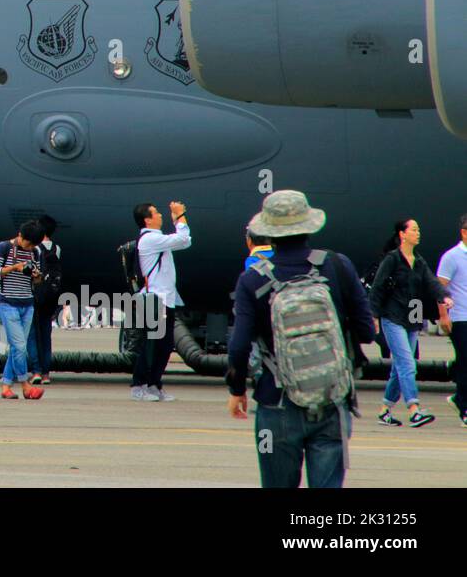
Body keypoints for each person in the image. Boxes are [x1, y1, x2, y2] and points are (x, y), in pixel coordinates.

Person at [227, 190, 376, 488]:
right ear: (309, 225)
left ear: (268, 232)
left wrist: (236, 389)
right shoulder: (337, 265)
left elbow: (239, 344)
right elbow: (367, 332)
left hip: (276, 401)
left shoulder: (253, 279)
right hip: (332, 398)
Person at [369, 219, 450, 427]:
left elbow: (432, 282)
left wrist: (444, 297)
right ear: (402, 234)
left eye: (418, 230)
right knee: (407, 363)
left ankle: (385, 410)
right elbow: (377, 288)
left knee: (399, 367)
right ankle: (414, 409)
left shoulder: (419, 261)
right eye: (414, 230)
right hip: (393, 317)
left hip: (413, 318)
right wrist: (374, 316)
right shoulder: (392, 260)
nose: (418, 233)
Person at [129, 201, 192, 402]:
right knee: (151, 344)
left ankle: (154, 384)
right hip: (154, 299)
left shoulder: (157, 239)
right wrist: (180, 217)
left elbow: (184, 241)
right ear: (147, 219)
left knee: (164, 346)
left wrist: (178, 221)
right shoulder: (149, 239)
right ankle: (139, 385)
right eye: (156, 213)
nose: (160, 215)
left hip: (166, 298)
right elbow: (183, 239)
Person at [0, 221, 45, 400]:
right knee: (20, 346)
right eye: (27, 243)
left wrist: (36, 275)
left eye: (33, 245)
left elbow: (38, 280)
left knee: (16, 348)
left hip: (27, 304)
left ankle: (6, 386)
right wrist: (14, 267)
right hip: (7, 303)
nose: (29, 247)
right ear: (19, 235)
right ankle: (25, 385)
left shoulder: (34, 252)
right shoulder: (3, 248)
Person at [437, 214, 467, 427]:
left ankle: (458, 399)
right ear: (464, 232)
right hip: (459, 318)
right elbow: (440, 289)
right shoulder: (451, 257)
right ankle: (464, 409)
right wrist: (443, 315)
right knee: (466, 363)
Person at [30, 216, 63, 384]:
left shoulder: (35, 249)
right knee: (46, 335)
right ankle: (46, 373)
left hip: (36, 295)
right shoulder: (57, 248)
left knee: (33, 335)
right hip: (51, 296)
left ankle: (36, 371)